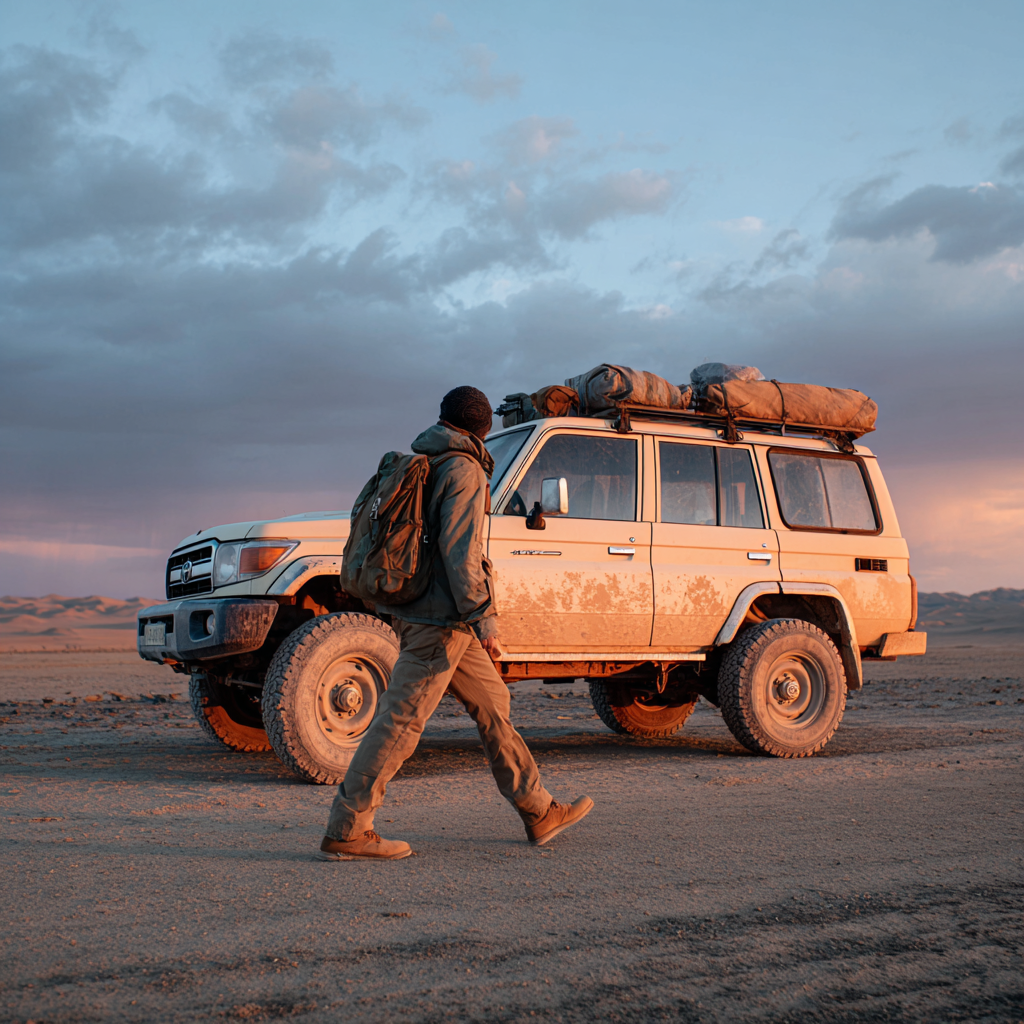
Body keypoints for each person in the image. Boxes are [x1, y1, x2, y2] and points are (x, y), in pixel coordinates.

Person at [319, 386, 593, 860]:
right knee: (399, 722)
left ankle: (538, 809)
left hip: (438, 618)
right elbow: (461, 552)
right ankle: (349, 827)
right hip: (441, 623)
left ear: (445, 419)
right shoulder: (463, 470)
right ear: (483, 431)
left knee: (493, 703)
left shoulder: (427, 460)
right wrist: (483, 616)